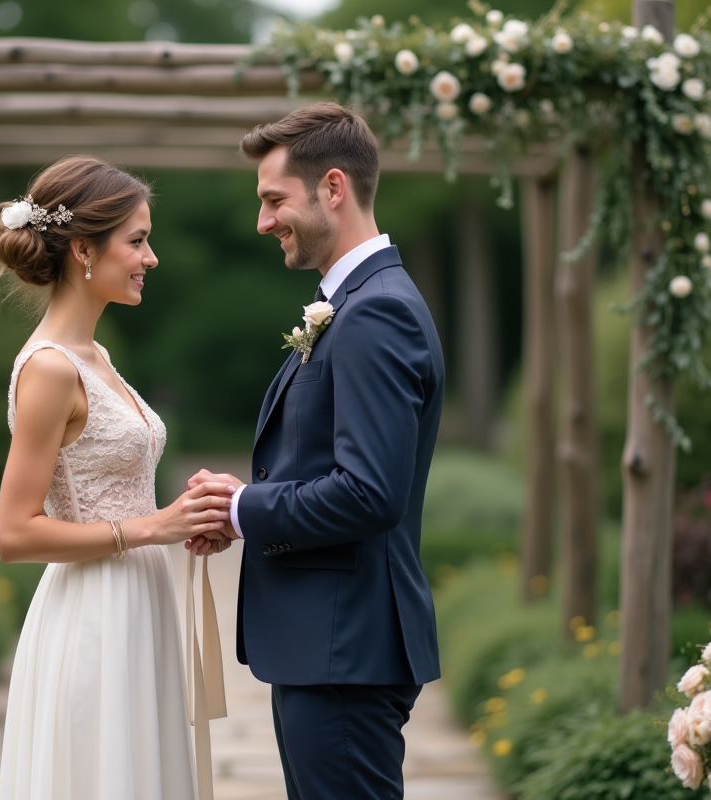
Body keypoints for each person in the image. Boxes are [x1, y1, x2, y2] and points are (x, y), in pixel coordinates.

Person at [187, 102, 446, 800]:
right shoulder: (354, 302)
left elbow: (369, 492)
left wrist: (245, 509)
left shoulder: (375, 313)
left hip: (345, 651)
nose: (263, 221)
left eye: (274, 200)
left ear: (333, 187)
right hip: (332, 650)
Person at [0, 155, 231, 800]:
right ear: (81, 250)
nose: (150, 257)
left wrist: (189, 511)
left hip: (140, 603)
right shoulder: (48, 368)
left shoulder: (96, 356)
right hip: (93, 615)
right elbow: (14, 533)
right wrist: (153, 526)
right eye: (137, 240)